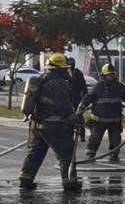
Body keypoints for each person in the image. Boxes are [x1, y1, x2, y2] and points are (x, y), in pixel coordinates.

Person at [18, 53, 82, 191]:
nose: (67, 71)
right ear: (59, 69)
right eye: (65, 69)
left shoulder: (41, 80)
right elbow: (63, 107)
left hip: (37, 126)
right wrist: (74, 120)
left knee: (36, 152)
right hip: (54, 127)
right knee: (66, 153)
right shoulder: (59, 84)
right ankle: (70, 182)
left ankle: (25, 179)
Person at [77, 63, 125, 162]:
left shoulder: (119, 87)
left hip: (115, 120)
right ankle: (91, 153)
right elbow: (87, 99)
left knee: (115, 139)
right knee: (95, 138)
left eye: (112, 75)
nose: (111, 76)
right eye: (109, 75)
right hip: (99, 120)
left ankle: (114, 154)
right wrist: (80, 109)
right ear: (103, 75)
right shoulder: (97, 87)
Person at [68, 57, 88, 142]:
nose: (70, 66)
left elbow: (83, 86)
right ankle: (69, 135)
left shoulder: (78, 73)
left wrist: (84, 97)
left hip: (77, 98)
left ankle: (82, 135)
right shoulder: (64, 73)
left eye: (71, 64)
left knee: (79, 116)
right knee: (68, 117)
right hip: (67, 98)